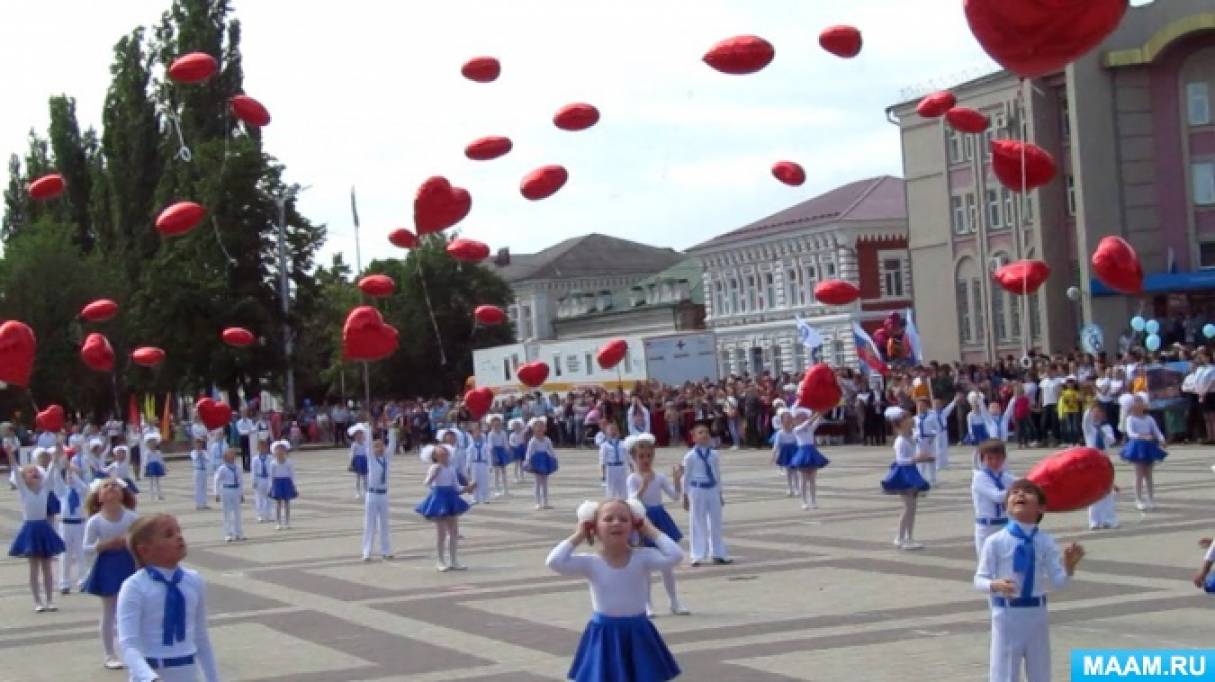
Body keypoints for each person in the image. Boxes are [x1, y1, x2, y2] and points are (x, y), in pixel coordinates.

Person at [545, 499, 682, 682]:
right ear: (594, 527)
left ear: (634, 526)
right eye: (608, 519)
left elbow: (675, 555)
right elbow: (554, 562)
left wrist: (648, 529)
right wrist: (579, 535)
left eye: (624, 519)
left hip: (638, 631)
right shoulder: (590, 563)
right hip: (604, 634)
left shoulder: (642, 558)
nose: (616, 522)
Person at [974, 479, 1085, 682]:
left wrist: (1069, 566)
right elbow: (979, 578)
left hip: (1036, 614)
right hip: (1006, 614)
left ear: (1041, 507)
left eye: (1027, 492)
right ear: (1006, 505)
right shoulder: (995, 541)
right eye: (1014, 493)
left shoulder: (1045, 541)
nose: (1020, 495)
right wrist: (994, 585)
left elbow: (1059, 582)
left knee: (1040, 670)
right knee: (1004, 672)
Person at [118, 513, 220, 682]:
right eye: (168, 534)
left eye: (179, 531)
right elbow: (129, 644)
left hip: (188, 671)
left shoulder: (194, 580)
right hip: (152, 671)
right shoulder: (134, 586)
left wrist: (213, 678)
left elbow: (201, 637)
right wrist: (149, 677)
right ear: (144, 550)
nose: (179, 537)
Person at [625, 434, 689, 617]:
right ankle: (647, 604)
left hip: (660, 518)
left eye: (648, 456)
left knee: (667, 564)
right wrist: (643, 487)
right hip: (643, 519)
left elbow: (675, 497)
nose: (645, 460)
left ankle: (674, 601)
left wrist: (677, 480)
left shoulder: (659, 477)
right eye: (641, 456)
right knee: (644, 565)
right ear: (634, 458)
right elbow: (631, 499)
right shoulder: (633, 478)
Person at [82, 477, 140, 670]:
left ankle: (135, 650)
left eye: (115, 485)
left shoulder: (131, 517)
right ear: (99, 497)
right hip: (107, 565)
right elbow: (86, 548)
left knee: (132, 609)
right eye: (105, 486)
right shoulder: (95, 521)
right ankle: (109, 653)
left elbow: (141, 540)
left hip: (130, 563)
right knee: (109, 610)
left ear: (123, 494)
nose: (111, 488)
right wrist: (103, 545)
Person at [9, 458, 66, 613]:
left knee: (47, 566)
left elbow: (52, 467)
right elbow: (15, 469)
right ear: (24, 478)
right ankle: (37, 601)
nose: (34, 473)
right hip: (30, 529)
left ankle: (50, 599)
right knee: (34, 567)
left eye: (36, 471)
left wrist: (57, 451)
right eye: (30, 471)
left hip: (43, 528)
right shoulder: (24, 490)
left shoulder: (45, 489)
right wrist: (9, 455)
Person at [415, 443, 474, 571]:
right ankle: (440, 561)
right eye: (440, 453)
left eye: (445, 452)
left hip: (450, 497)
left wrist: (467, 488)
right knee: (441, 533)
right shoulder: (434, 467)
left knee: (454, 531)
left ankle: (454, 560)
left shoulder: (451, 468)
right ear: (435, 456)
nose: (444, 454)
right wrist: (433, 475)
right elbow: (426, 483)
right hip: (438, 499)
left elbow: (456, 487)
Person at [881, 407, 933, 550]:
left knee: (912, 507)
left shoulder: (909, 438)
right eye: (907, 419)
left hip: (910, 472)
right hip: (903, 474)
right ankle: (900, 537)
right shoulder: (900, 441)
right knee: (907, 507)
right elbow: (901, 460)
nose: (911, 420)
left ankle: (909, 537)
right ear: (900, 423)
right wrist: (916, 458)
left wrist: (924, 458)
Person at [681, 421, 731, 566]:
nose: (704, 435)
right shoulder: (690, 456)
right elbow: (687, 476)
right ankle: (697, 554)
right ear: (694, 438)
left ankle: (718, 552)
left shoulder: (713, 454)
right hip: (697, 489)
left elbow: (717, 474)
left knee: (716, 521)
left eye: (706, 432)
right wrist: (685, 495)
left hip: (712, 489)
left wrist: (720, 493)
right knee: (697, 521)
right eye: (700, 433)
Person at [1120, 395, 1167, 511]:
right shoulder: (1130, 419)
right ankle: (1138, 499)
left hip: (1149, 446)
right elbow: (1131, 433)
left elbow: (1156, 431)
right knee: (1139, 475)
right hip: (1137, 447)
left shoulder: (1149, 418)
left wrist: (1162, 439)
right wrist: (1143, 436)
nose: (1139, 404)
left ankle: (1151, 499)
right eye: (1136, 402)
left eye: (1141, 401)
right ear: (1132, 405)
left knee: (1149, 475)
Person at [971, 440, 1017, 557]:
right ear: (982, 459)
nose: (994, 462)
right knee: (986, 564)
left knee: (1005, 563)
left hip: (1005, 525)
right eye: (989, 458)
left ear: (1004, 458)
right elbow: (997, 496)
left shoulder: (1005, 476)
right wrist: (1016, 490)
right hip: (987, 527)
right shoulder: (980, 477)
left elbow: (1023, 482)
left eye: (998, 458)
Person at [53, 456, 90, 594]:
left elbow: (84, 486)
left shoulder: (81, 491)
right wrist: (58, 464)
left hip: (79, 524)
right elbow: (56, 479)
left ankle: (83, 580)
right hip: (65, 525)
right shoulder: (62, 491)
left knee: (81, 552)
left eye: (72, 476)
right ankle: (64, 583)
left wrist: (73, 470)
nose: (70, 478)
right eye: (68, 476)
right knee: (65, 554)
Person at [1082, 404, 1120, 530]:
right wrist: (1089, 407)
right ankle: (1094, 520)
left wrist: (1103, 432)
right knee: (1093, 492)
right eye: (1094, 412)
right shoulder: (1089, 428)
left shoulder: (1107, 427)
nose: (1096, 414)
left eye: (1099, 412)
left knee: (1107, 492)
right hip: (1091, 462)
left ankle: (1108, 519)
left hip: (1104, 461)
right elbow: (1085, 420)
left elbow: (1112, 440)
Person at [790, 407, 830, 510]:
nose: (803, 418)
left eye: (804, 416)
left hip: (811, 452)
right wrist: (817, 413)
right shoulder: (796, 429)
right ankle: (804, 501)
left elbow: (816, 422)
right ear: (796, 419)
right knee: (803, 479)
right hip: (802, 453)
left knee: (812, 479)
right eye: (800, 417)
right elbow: (807, 423)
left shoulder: (809, 428)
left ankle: (813, 501)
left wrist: (821, 413)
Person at [362, 438, 394, 561]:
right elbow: (368, 443)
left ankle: (386, 550)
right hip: (372, 494)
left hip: (383, 494)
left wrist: (391, 430)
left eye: (381, 446)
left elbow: (392, 445)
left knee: (384, 523)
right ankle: (366, 551)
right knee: (370, 523)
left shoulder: (386, 459)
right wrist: (368, 428)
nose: (380, 448)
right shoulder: (371, 459)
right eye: (376, 446)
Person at [525, 417, 559, 510]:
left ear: (545, 428)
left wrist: (554, 458)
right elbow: (529, 452)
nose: (540, 428)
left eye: (542, 426)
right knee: (537, 482)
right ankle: (537, 502)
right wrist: (528, 461)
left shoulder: (547, 439)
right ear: (533, 429)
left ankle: (546, 502)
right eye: (537, 426)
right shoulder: (533, 441)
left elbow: (551, 450)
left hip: (545, 460)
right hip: (536, 461)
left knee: (545, 482)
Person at [214, 448, 245, 543]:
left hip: (235, 490)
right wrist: (217, 493)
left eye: (233, 456)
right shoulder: (222, 468)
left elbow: (240, 481)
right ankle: (228, 533)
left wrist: (241, 494)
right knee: (226, 513)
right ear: (225, 457)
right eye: (230, 456)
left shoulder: (238, 468)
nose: (232, 457)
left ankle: (238, 533)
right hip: (226, 490)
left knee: (237, 513)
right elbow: (216, 480)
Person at [268, 440, 299, 530]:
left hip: (286, 482)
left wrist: (293, 485)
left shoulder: (289, 462)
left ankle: (287, 521)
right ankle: (278, 522)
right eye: (278, 450)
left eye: (282, 449)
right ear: (275, 452)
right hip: (277, 482)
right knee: (278, 503)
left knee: (287, 502)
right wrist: (271, 486)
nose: (280, 452)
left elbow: (292, 474)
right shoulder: (273, 463)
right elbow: (271, 475)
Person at [770, 408, 799, 498]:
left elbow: (799, 442)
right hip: (785, 453)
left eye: (789, 419)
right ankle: (789, 488)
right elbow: (776, 445)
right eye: (785, 419)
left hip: (794, 451)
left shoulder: (795, 431)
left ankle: (797, 488)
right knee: (788, 471)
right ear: (782, 421)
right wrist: (773, 456)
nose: (787, 422)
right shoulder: (780, 433)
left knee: (795, 471)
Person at [598, 422, 629, 499]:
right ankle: (610, 503)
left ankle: (624, 502)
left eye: (615, 430)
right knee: (610, 489)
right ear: (606, 433)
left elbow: (628, 457)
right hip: (610, 467)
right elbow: (602, 460)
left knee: (623, 487)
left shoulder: (623, 444)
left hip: (621, 467)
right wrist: (602, 473)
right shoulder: (604, 445)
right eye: (611, 430)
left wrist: (632, 468)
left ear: (619, 432)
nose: (613, 432)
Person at [466, 422, 491, 505]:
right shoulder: (471, 446)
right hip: (474, 464)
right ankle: (474, 498)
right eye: (475, 433)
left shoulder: (485, 445)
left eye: (479, 432)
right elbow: (469, 457)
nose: (477, 435)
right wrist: (468, 467)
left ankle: (486, 497)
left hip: (483, 464)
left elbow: (488, 456)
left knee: (485, 481)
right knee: (474, 481)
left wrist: (490, 465)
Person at [251, 436, 273, 523]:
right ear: (258, 448)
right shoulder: (255, 459)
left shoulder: (270, 458)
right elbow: (253, 471)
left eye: (264, 447)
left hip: (267, 478)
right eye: (261, 447)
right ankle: (259, 515)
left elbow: (271, 470)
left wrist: (272, 480)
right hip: (259, 478)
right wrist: (254, 481)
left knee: (269, 498)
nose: (263, 449)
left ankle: (268, 515)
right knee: (259, 498)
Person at [348, 423, 370, 499]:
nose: (359, 436)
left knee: (365, 477)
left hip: (364, 460)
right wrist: (350, 463)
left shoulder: (365, 443)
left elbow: (367, 452)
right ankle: (357, 492)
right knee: (358, 477)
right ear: (355, 436)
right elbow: (352, 454)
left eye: (360, 434)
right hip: (357, 460)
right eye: (357, 434)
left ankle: (366, 491)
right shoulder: (354, 444)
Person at [142, 433, 166, 501]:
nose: (152, 445)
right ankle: (151, 495)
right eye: (151, 443)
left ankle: (159, 495)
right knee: (151, 482)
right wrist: (145, 467)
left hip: (157, 467)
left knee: (158, 481)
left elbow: (161, 460)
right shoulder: (147, 452)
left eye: (154, 443)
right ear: (148, 444)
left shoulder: (158, 452)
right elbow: (145, 461)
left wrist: (164, 467)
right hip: (151, 467)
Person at [189, 436, 210, 511]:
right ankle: (198, 504)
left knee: (204, 487)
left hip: (204, 470)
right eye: (197, 443)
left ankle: (204, 503)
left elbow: (208, 459)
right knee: (198, 487)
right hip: (197, 470)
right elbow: (195, 458)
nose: (199, 445)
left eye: (200, 443)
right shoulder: (193, 452)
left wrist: (202, 452)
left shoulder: (204, 452)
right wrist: (199, 452)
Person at [508, 418, 528, 484]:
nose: (517, 427)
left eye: (518, 425)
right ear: (513, 427)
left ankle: (522, 476)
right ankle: (515, 477)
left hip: (522, 449)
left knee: (522, 464)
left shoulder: (522, 433)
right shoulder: (512, 435)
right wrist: (515, 445)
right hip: (516, 450)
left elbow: (527, 428)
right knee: (516, 463)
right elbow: (510, 442)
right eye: (515, 425)